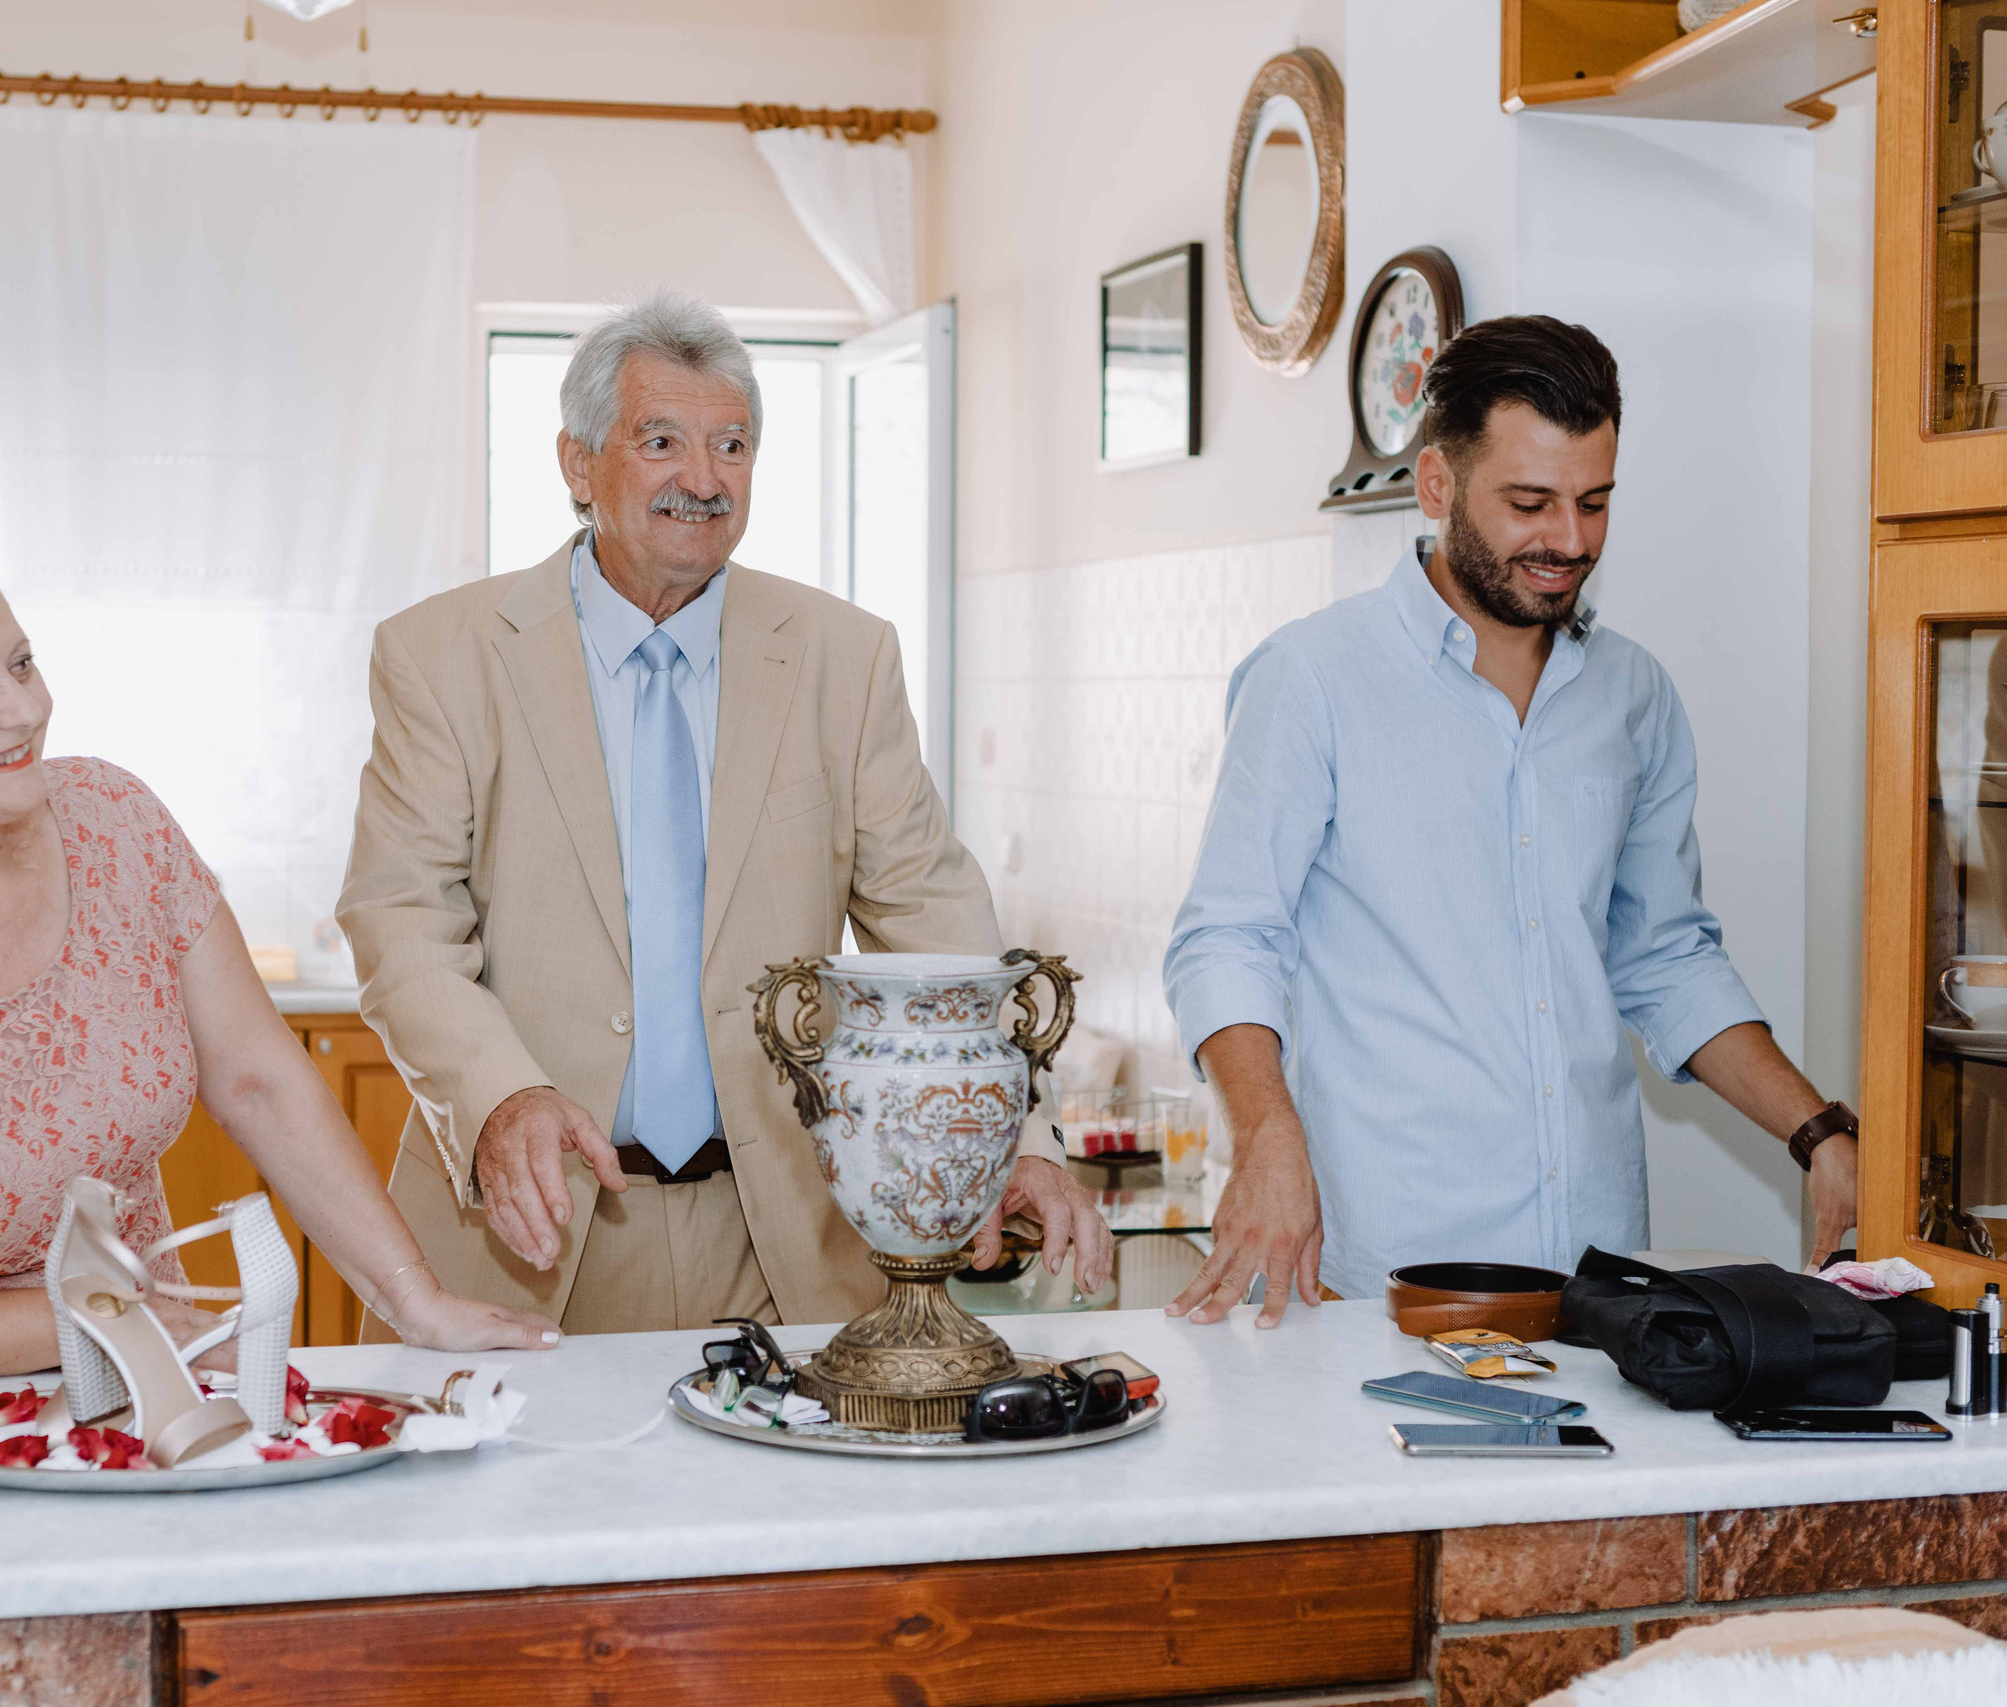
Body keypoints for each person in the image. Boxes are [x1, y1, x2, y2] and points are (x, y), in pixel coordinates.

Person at [338, 291, 1112, 1335]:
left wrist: (1018, 1139)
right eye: (661, 442)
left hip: (788, 1240)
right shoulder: (443, 655)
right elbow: (400, 926)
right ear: (577, 464)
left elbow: (935, 922)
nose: (703, 480)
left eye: (732, 446)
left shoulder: (844, 658)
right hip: (528, 1236)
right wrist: (501, 1098)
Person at [0, 499, 554, 1393]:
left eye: (21, 662)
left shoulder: (115, 824)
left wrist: (414, 1297)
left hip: (146, 1397)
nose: (26, 709)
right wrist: (94, 1313)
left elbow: (257, 1079)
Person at [1161, 315, 1861, 1326]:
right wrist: (1268, 1135)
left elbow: (1662, 957)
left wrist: (1815, 1131)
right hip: (1384, 1281)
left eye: (1593, 503)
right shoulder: (1312, 679)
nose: (1568, 541)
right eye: (1529, 504)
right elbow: (1225, 936)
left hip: (1596, 1281)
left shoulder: (1634, 696)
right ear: (1438, 484)